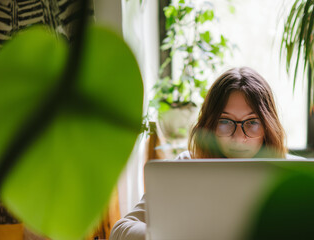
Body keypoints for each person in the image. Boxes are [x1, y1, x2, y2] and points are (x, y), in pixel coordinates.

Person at [109, 67, 303, 240]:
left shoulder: (295, 174)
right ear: (210, 125)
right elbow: (120, 230)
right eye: (225, 122)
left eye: (252, 123)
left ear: (268, 127)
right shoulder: (185, 168)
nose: (237, 137)